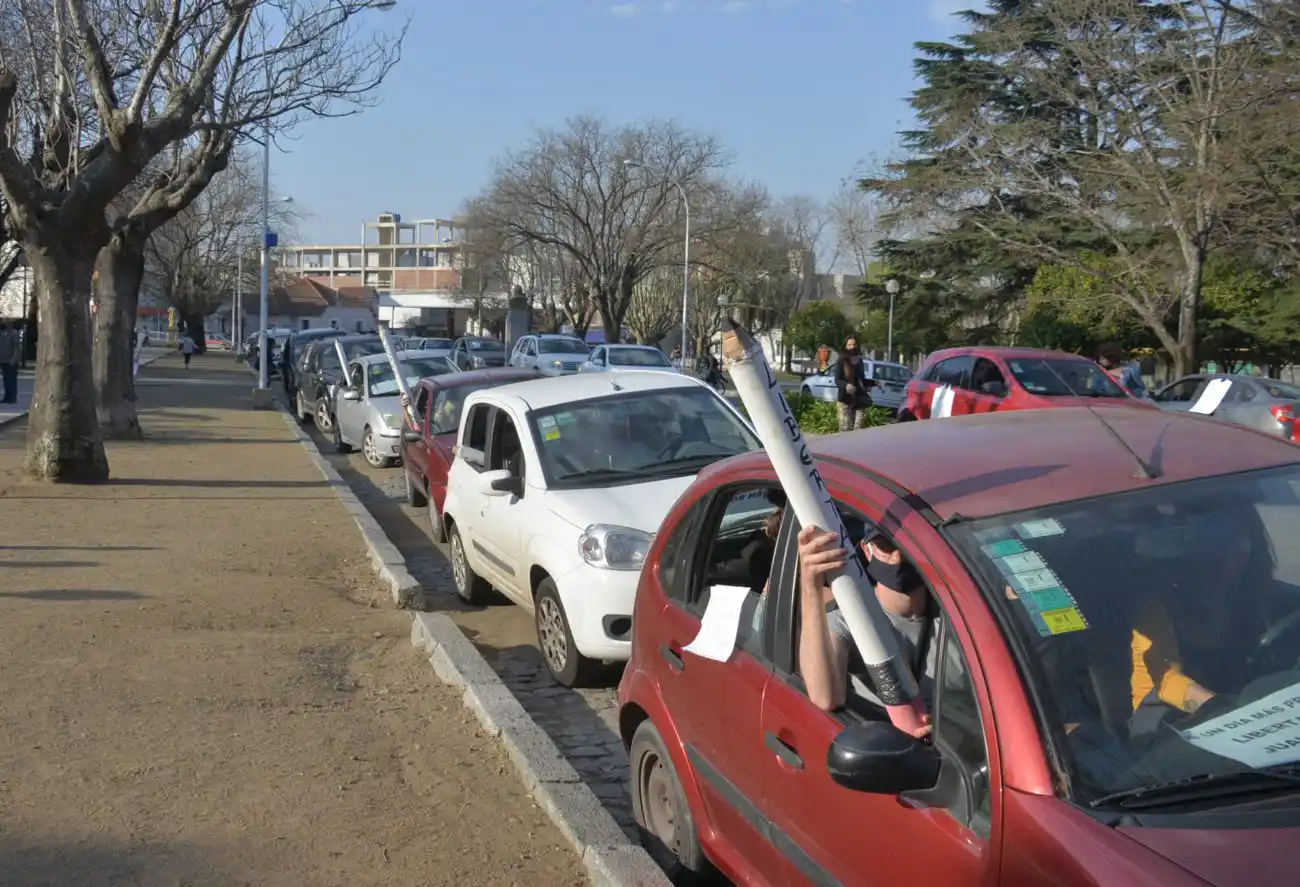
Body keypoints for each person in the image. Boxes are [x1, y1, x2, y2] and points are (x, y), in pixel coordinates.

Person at [796, 523, 937, 738]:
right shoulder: (850, 622)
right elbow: (825, 697)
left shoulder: (957, 614)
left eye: (907, 545)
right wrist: (811, 586)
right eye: (886, 545)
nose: (898, 556)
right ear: (866, 549)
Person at [832, 338, 874, 432]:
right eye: (850, 345)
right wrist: (846, 385)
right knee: (845, 430)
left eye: (854, 344)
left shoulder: (859, 361)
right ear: (846, 346)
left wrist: (874, 383)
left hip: (858, 400)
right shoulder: (841, 360)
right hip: (845, 400)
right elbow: (837, 380)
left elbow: (861, 380)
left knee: (858, 430)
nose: (852, 347)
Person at [0, 320, 19, 404]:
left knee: (12, 380)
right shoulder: (2, 333)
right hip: (3, 360)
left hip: (11, 361)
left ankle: (12, 397)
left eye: (5, 322)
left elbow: (16, 348)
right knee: (6, 379)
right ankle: (7, 396)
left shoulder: (14, 333)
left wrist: (14, 359)